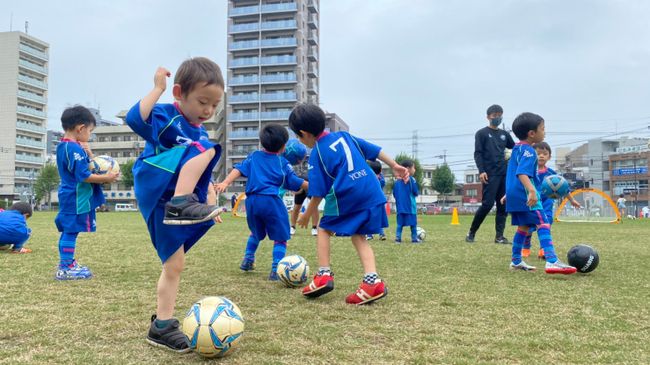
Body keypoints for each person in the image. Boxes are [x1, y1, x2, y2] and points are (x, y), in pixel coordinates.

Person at [124, 58, 224, 352]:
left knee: (174, 264)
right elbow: (134, 120)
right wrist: (158, 89)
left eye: (214, 106)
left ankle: (162, 325)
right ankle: (183, 203)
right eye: (203, 101)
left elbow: (201, 174)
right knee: (206, 148)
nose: (208, 111)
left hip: (169, 202)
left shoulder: (200, 131)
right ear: (180, 93)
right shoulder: (168, 114)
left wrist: (209, 199)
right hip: (155, 184)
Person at [288, 104, 410, 305]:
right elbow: (374, 150)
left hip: (349, 194)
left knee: (324, 229)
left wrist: (306, 215)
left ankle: (323, 275)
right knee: (359, 236)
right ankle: (372, 281)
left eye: (299, 137)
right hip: (371, 190)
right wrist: (394, 165)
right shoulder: (345, 136)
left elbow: (317, 193)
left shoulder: (318, 152)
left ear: (304, 134)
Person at [216, 124, 308, 280]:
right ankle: (276, 268)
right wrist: (311, 186)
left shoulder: (254, 156)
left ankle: (248, 259)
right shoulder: (282, 163)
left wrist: (225, 182)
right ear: (284, 146)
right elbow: (292, 181)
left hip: (251, 202)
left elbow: (238, 169)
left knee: (256, 232)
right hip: (271, 201)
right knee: (281, 236)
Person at [506, 112, 576, 274]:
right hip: (526, 195)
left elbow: (512, 173)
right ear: (532, 134)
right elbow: (521, 173)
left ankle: (516, 260)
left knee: (523, 227)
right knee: (543, 222)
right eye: (543, 129)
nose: (545, 132)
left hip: (514, 194)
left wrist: (507, 194)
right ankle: (551, 260)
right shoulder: (530, 152)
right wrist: (531, 191)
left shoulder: (517, 149)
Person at [55, 106, 119, 280]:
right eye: (90, 131)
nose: (90, 135)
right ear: (80, 128)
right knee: (71, 230)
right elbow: (84, 176)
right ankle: (66, 267)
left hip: (71, 195)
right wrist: (107, 177)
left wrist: (89, 153)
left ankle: (66, 264)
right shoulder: (73, 149)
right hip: (76, 197)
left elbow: (83, 167)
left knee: (69, 230)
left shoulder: (64, 146)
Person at [521, 142, 581, 259]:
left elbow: (564, 188)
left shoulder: (552, 174)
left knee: (545, 225)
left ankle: (543, 249)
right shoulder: (527, 172)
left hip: (547, 204)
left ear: (549, 157)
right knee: (528, 227)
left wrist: (572, 200)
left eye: (545, 154)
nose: (541, 156)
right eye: (538, 153)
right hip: (531, 203)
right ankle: (526, 246)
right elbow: (518, 184)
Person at [466, 104, 515, 244]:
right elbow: (478, 153)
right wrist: (481, 171)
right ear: (488, 117)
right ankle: (471, 232)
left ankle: (499, 237)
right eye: (494, 115)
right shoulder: (481, 133)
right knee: (487, 205)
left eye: (500, 115)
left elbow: (515, 148)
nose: (497, 117)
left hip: (504, 174)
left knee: (503, 205)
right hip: (489, 174)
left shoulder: (505, 135)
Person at [392, 159, 421, 244]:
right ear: (408, 169)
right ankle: (414, 239)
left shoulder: (397, 181)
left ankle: (398, 238)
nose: (414, 170)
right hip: (410, 207)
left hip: (400, 207)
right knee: (413, 224)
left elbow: (394, 193)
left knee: (400, 224)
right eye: (414, 168)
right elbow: (415, 192)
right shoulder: (412, 180)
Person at [290, 156, 319, 236]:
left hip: (311, 185)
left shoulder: (313, 158)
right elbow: (292, 175)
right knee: (296, 207)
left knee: (314, 207)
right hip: (299, 185)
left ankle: (314, 228)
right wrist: (293, 187)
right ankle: (292, 227)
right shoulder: (294, 159)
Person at [366, 160, 387, 241]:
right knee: (372, 218)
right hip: (374, 201)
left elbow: (382, 183)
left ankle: (380, 234)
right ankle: (371, 234)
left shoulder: (379, 179)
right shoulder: (372, 178)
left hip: (375, 201)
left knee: (375, 218)